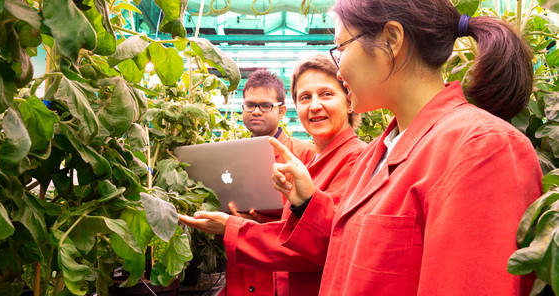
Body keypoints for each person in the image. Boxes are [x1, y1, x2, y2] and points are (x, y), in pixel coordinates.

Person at [267, 1, 543, 295]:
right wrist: (306, 202)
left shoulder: (481, 148)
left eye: (342, 47)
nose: (339, 67)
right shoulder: (376, 153)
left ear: (392, 40)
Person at [179, 54, 367, 296]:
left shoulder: (353, 160)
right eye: (305, 97)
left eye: (327, 94)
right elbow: (303, 232)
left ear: (349, 100)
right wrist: (254, 223)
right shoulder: (319, 161)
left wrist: (232, 228)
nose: (315, 105)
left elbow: (317, 245)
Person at [223, 69, 317, 295]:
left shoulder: (305, 155)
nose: (256, 111)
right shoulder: (228, 156)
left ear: (282, 111)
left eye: (265, 105)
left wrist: (261, 221)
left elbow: (313, 226)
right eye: (249, 105)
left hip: (280, 275)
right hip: (242, 270)